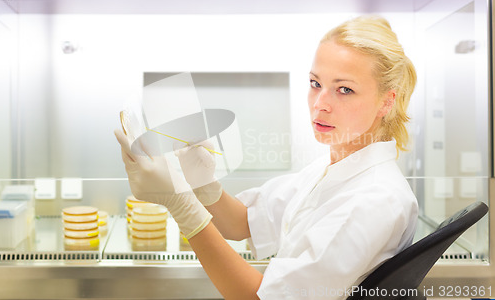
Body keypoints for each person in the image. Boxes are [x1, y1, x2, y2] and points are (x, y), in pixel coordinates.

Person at [114, 15, 418, 300]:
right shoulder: (331, 168)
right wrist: (201, 183)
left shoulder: (376, 199)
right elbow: (243, 223)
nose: (320, 104)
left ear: (386, 102)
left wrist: (182, 205)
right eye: (315, 84)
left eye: (345, 89)